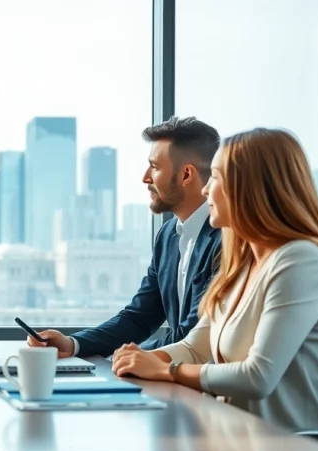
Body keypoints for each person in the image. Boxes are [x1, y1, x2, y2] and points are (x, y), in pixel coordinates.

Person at [112, 128, 318, 431]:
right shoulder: (242, 261)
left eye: (217, 177)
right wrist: (142, 358)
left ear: (251, 187)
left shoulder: (301, 260)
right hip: (229, 439)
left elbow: (258, 376)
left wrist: (168, 370)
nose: (205, 190)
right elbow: (197, 347)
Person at [30, 116, 222, 357]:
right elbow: (139, 317)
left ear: (186, 175)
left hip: (206, 387)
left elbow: (191, 336)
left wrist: (130, 358)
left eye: (155, 166)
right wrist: (74, 344)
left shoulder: (225, 239)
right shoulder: (168, 236)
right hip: (171, 381)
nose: (145, 177)